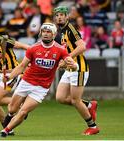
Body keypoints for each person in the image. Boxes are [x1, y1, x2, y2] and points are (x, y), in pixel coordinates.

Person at [0, 22, 79, 137]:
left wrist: (74, 65)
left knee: (23, 112)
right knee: (12, 109)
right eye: (44, 31)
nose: (45, 34)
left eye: (48, 32)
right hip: (26, 82)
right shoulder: (33, 48)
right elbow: (22, 66)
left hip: (41, 88)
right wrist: (10, 76)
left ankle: (6, 131)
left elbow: (72, 64)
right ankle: (12, 116)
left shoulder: (60, 50)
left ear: (54, 34)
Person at [53, 6, 99, 135]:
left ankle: (93, 127)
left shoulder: (71, 29)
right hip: (69, 69)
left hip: (79, 68)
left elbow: (82, 46)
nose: (59, 17)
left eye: (62, 15)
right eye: (57, 15)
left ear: (67, 16)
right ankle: (89, 105)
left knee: (75, 100)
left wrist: (67, 58)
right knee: (60, 98)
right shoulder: (60, 31)